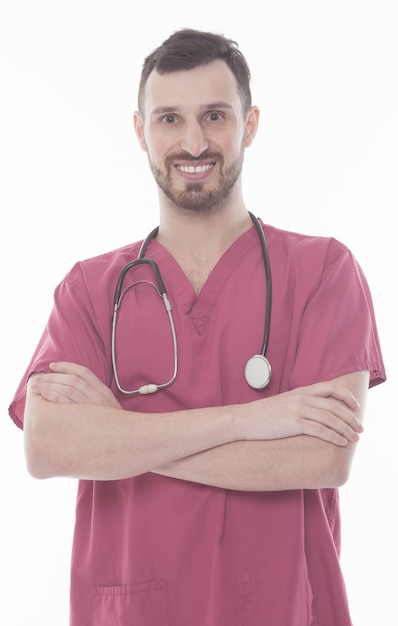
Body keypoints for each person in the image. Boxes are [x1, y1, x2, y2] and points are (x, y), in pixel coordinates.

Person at [9, 28, 386, 626]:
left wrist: (118, 436)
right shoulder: (90, 289)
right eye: (168, 119)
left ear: (250, 124)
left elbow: (321, 457)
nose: (193, 142)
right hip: (132, 609)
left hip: (283, 607)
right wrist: (252, 419)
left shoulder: (323, 271)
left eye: (214, 116)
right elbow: (48, 446)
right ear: (141, 132)